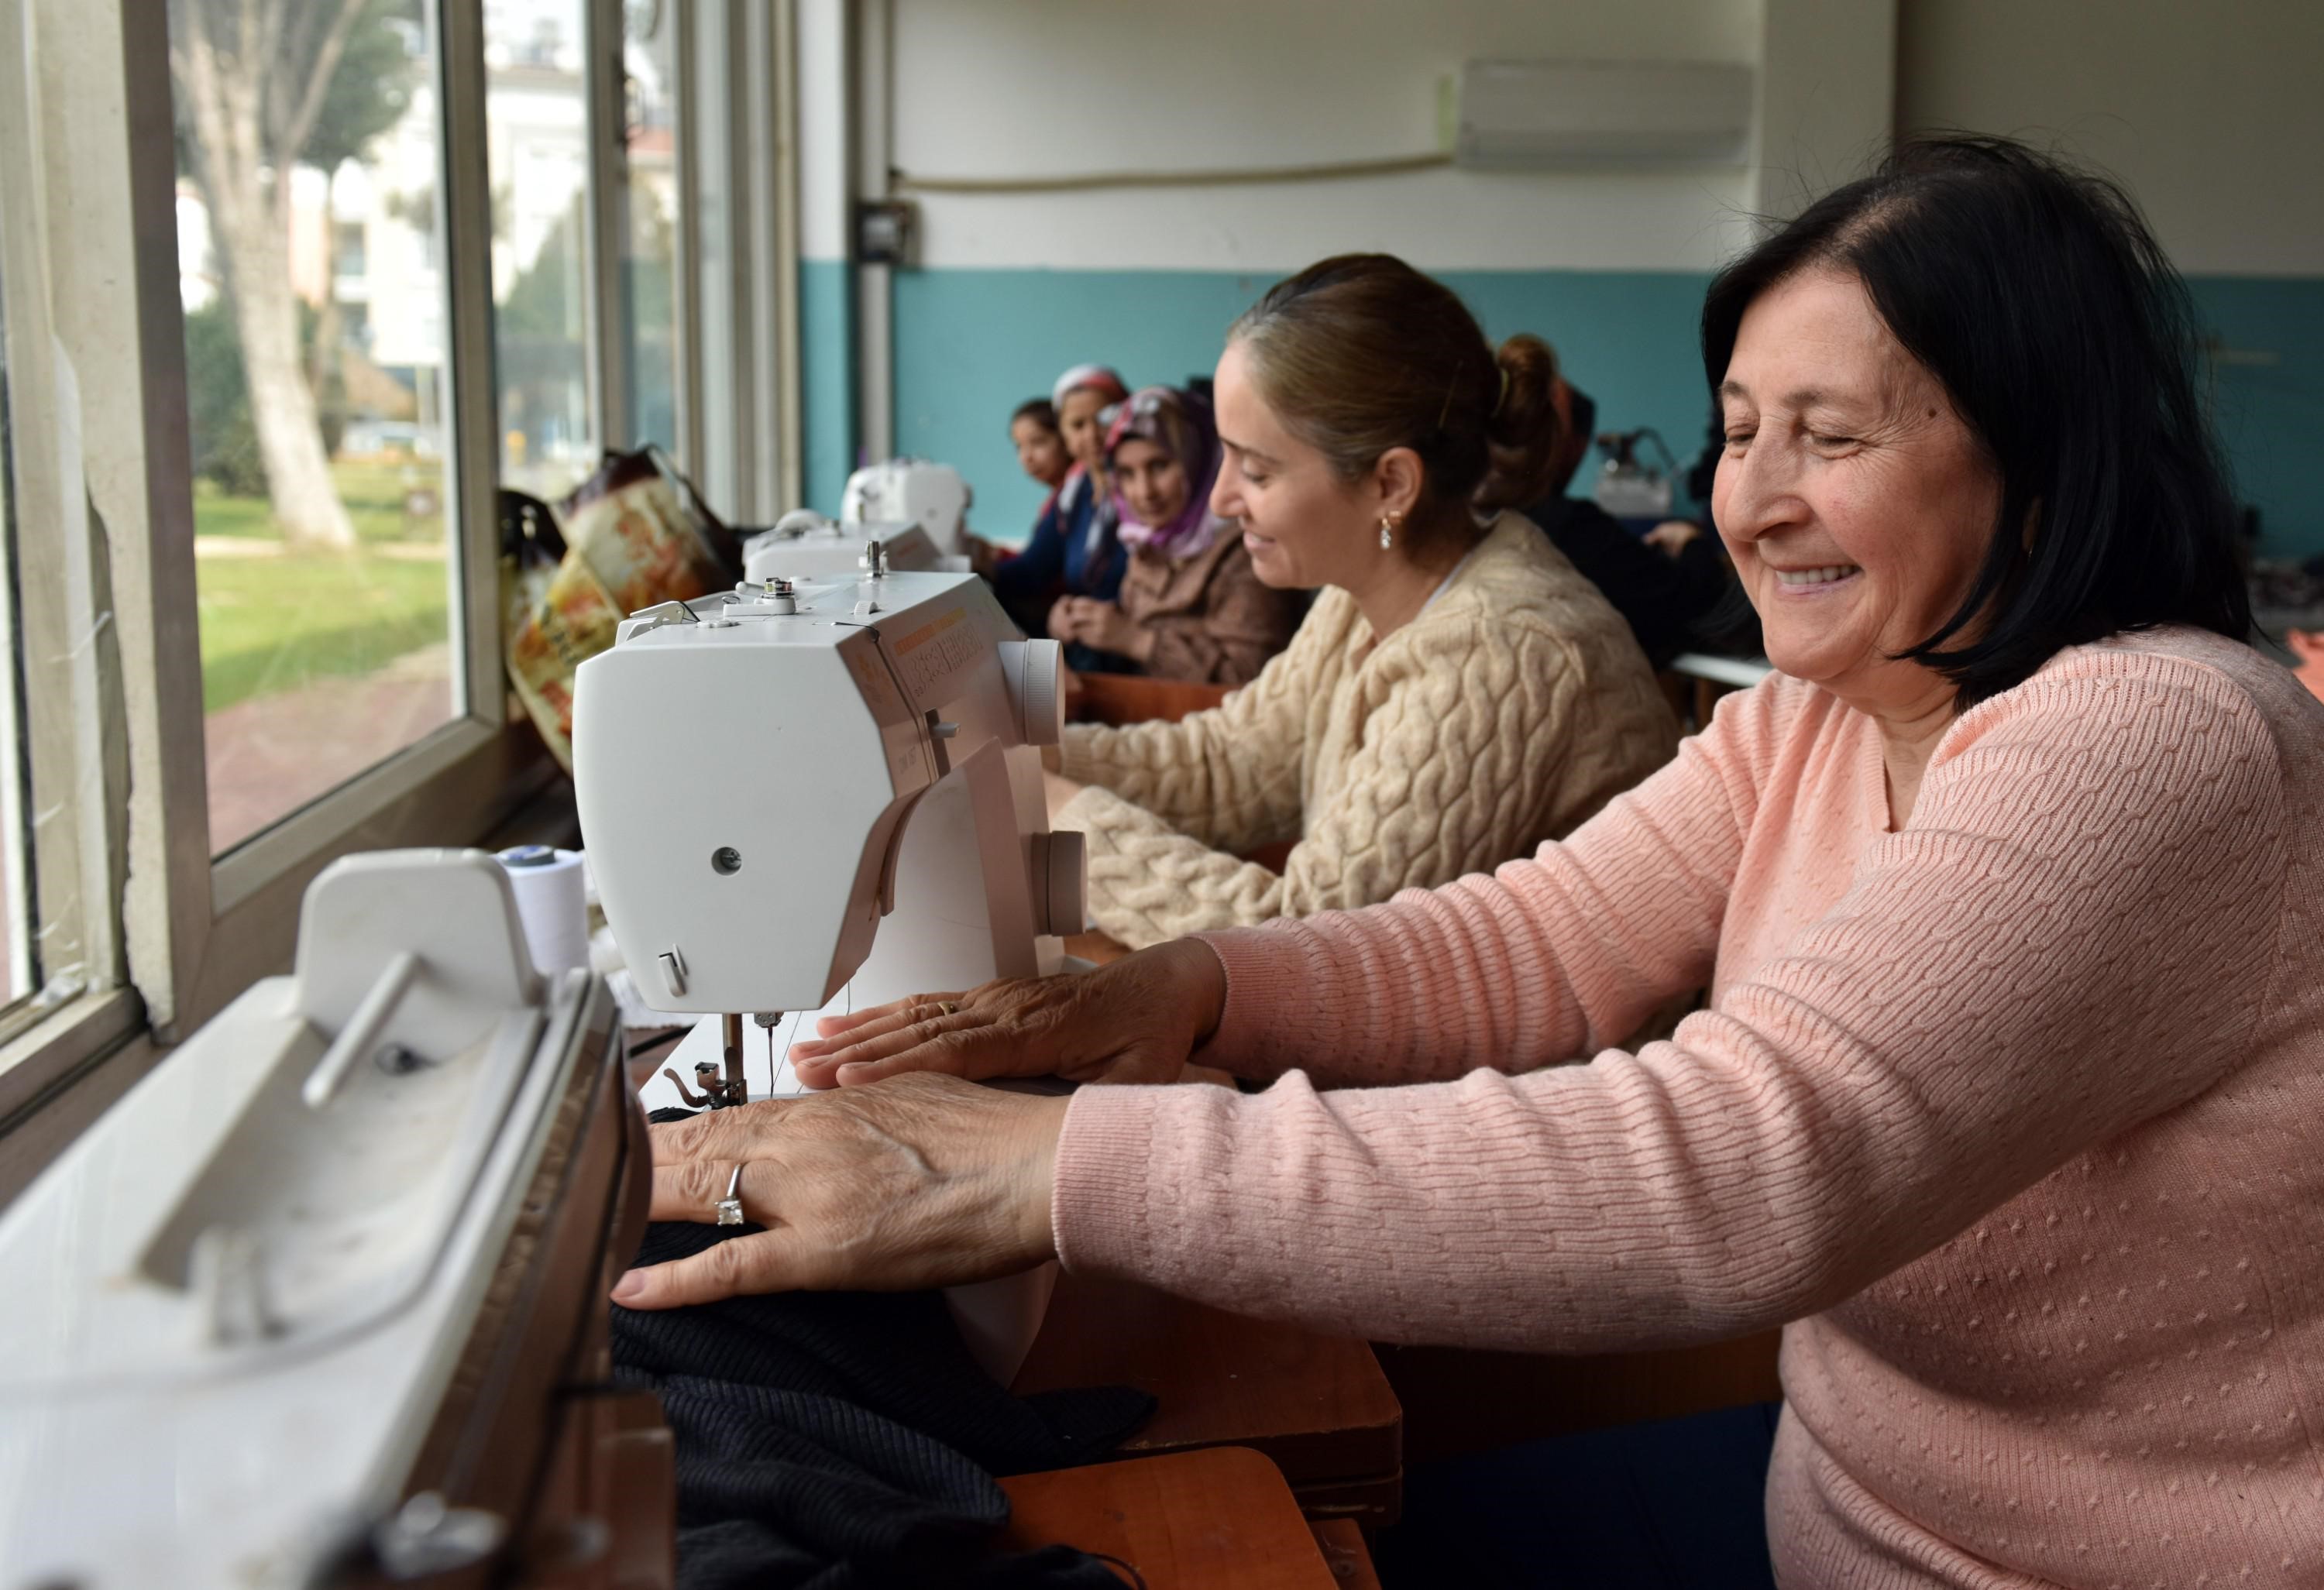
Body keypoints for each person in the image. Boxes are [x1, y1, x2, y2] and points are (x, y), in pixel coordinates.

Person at [614, 140, 2324, 1588]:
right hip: (1840, 1502)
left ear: (2037, 455)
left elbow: (1748, 1163)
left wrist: (1045, 1170)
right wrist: (1187, 985)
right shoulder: (1827, 716)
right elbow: (1538, 941)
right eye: (1741, 428)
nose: (1754, 499)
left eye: (1834, 434)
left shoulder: (2155, 738)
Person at [1037, 257, 1676, 948]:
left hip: (1564, 1057)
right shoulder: (1364, 594)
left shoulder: (1502, 649)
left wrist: (1062, 814)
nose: (1221, 500)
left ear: (1390, 484)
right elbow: (1232, 763)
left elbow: (1314, 945)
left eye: (1255, 470)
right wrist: (1020, 757)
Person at [1045, 385, 1299, 687]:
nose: (1144, 492)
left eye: (1159, 466)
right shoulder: (1148, 543)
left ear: (1199, 460)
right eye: (1127, 473)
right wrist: (1075, 624)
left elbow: (1253, 684)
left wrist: (1137, 641)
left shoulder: (1248, 549)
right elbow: (1132, 624)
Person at [1522, 381, 1762, 666]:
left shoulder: (1498, 525)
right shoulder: (1570, 529)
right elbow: (1699, 608)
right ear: (1575, 443)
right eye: (1739, 436)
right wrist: (1690, 544)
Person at [983, 366, 1129, 637]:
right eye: (1078, 425)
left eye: (1105, 418)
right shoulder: (1075, 496)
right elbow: (1034, 570)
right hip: (1087, 645)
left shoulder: (1143, 494)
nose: (1093, 434)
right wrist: (977, 566)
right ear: (1065, 434)